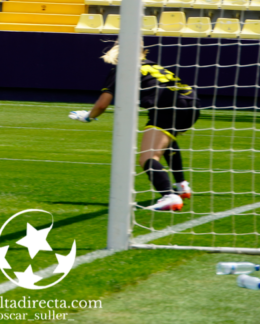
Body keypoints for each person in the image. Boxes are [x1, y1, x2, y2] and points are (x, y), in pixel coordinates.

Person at [69, 42, 196, 212]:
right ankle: (181, 185)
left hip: (167, 105)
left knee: (147, 158)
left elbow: (102, 105)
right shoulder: (152, 65)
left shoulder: (122, 69)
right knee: (165, 141)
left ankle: (169, 196)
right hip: (191, 103)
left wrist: (88, 116)